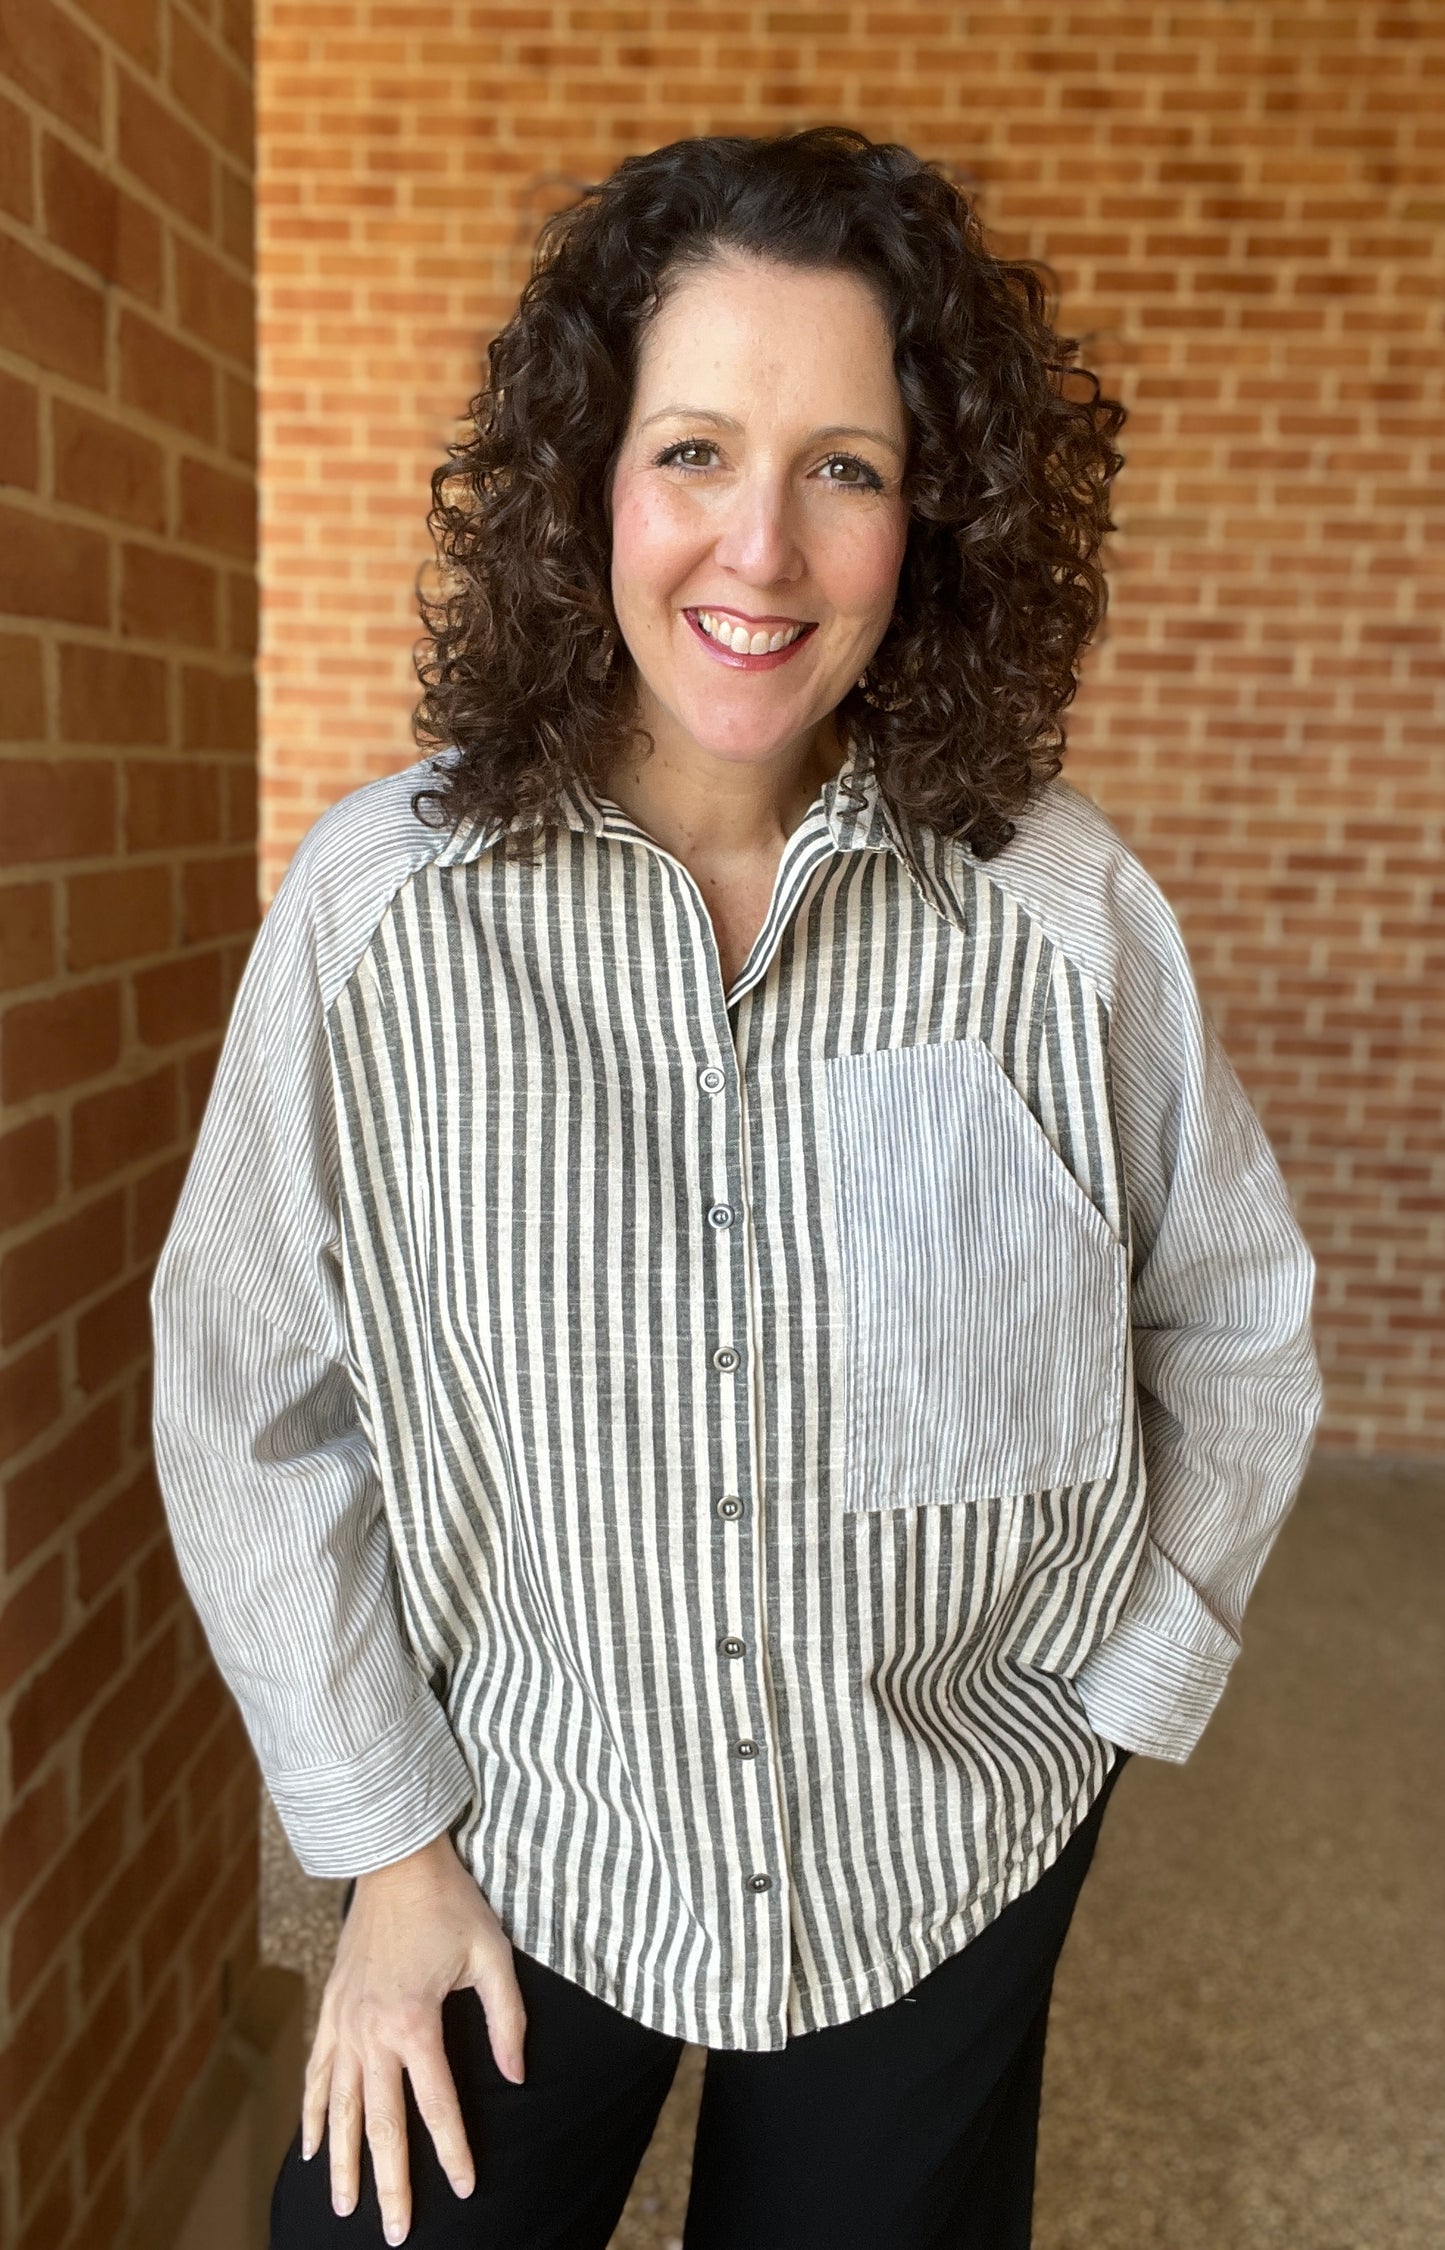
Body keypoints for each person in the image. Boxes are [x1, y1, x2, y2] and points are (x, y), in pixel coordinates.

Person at [150, 128, 1322, 2250]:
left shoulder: (1058, 917)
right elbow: (246, 1392)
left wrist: (1120, 1701)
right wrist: (386, 1854)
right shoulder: (384, 915)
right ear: (587, 477)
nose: (759, 548)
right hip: (517, 1839)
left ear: (933, 511)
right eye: (693, 447)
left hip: (939, 1843)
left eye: (847, 467)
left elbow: (1233, 1318)